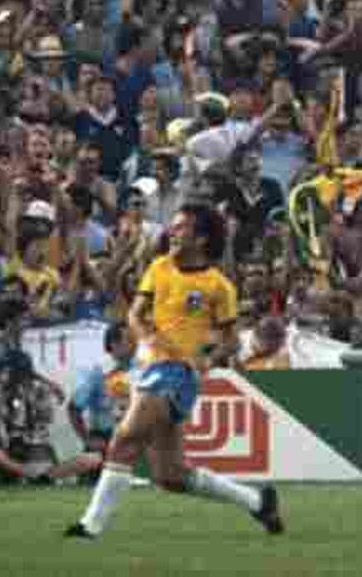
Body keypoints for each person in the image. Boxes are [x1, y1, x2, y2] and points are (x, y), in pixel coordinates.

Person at [66, 203, 282, 539]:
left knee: (124, 439)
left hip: (178, 372)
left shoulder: (218, 286)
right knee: (171, 475)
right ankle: (257, 502)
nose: (172, 232)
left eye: (181, 228)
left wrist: (207, 361)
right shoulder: (159, 267)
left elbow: (232, 341)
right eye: (173, 226)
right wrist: (146, 335)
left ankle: (89, 527)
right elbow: (135, 315)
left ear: (201, 238)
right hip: (148, 366)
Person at [0, 349, 96, 484]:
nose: (6, 376)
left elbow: (47, 418)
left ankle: (43, 475)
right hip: (10, 450)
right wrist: (1, 397)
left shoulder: (39, 389)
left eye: (9, 372)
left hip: (37, 448)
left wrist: (32, 400)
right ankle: (33, 475)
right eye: (4, 372)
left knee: (93, 458)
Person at [68, 322, 137, 455]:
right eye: (129, 340)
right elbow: (73, 408)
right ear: (113, 344)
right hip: (105, 440)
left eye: (135, 339)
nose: (135, 344)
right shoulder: (98, 372)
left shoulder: (140, 369)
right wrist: (87, 440)